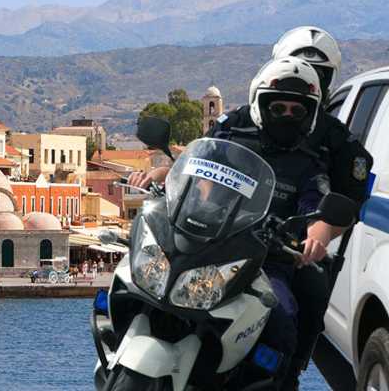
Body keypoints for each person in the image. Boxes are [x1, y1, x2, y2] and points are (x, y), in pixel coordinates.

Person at [131, 56, 340, 388]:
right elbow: (194, 170)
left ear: (309, 115)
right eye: (278, 107)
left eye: (296, 110)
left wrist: (316, 237)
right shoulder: (231, 141)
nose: (286, 115)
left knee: (281, 316)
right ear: (262, 106)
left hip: (266, 262)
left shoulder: (309, 165)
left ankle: (274, 383)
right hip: (208, 248)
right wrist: (160, 175)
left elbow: (318, 208)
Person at [270, 26, 374, 387]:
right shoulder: (245, 121)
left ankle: (286, 374)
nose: (304, 77)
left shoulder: (334, 140)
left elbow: (344, 196)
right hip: (230, 234)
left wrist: (320, 233)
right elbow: (206, 158)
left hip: (290, 245)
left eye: (318, 73)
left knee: (305, 298)